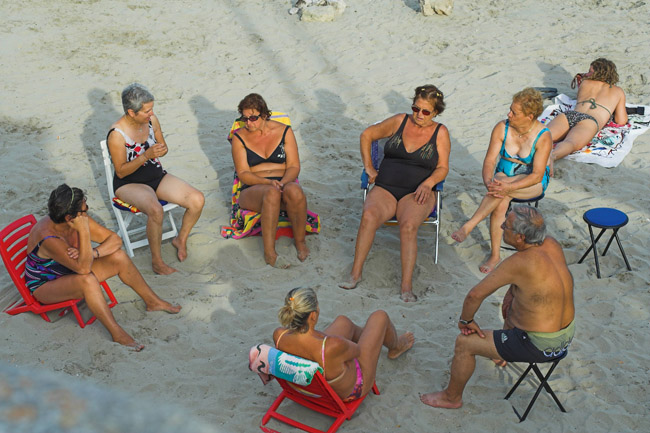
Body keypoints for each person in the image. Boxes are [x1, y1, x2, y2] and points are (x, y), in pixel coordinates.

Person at [420, 205, 574, 409]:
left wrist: (466, 321)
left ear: (520, 237)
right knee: (511, 300)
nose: (501, 226)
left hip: (538, 345)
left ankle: (451, 397)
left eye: (506, 226)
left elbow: (475, 295)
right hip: (564, 338)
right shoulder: (551, 244)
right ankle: (501, 354)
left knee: (464, 343)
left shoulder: (520, 261)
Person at [25, 184, 182, 351]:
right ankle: (117, 334)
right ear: (70, 219)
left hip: (71, 270)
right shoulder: (49, 237)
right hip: (45, 285)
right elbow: (84, 270)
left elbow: (115, 240)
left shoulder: (77, 218)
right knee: (88, 281)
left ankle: (153, 302)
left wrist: (93, 252)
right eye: (84, 211)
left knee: (119, 257)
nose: (87, 213)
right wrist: (84, 232)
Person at [339, 85, 451, 302]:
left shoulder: (440, 133)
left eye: (426, 112)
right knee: (369, 215)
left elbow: (443, 168)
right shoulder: (400, 121)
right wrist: (370, 168)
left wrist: (428, 184)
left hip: (417, 191)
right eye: (415, 109)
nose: (419, 115)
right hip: (386, 187)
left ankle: (406, 286)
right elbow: (367, 135)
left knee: (408, 226)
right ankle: (355, 274)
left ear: (436, 112)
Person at [107, 83, 205, 275]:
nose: (151, 114)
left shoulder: (152, 121)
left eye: (151, 109)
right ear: (131, 112)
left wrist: (161, 149)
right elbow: (120, 172)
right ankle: (157, 262)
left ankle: (180, 239)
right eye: (146, 111)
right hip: (129, 183)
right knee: (156, 210)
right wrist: (145, 156)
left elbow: (162, 146)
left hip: (156, 175)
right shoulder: (117, 135)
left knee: (197, 200)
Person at [451, 88, 551, 274]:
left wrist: (508, 186)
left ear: (529, 116)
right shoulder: (502, 128)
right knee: (500, 193)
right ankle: (495, 255)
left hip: (531, 181)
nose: (509, 114)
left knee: (503, 191)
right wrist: (488, 181)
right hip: (503, 175)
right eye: (510, 109)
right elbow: (489, 160)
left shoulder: (543, 136)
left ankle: (470, 226)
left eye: (514, 112)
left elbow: (536, 175)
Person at [273, 287, 414, 402]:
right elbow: (357, 351)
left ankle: (375, 336)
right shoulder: (332, 345)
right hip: (349, 391)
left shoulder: (279, 335)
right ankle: (395, 347)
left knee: (343, 322)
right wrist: (334, 343)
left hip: (308, 388)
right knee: (380, 317)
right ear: (313, 316)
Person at [230, 93, 310, 268]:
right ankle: (269, 252)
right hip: (254, 188)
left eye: (253, 118)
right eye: (245, 119)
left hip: (284, 181)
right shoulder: (239, 137)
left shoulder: (284, 131)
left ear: (264, 115)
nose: (249, 123)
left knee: (295, 191)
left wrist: (283, 182)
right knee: (272, 193)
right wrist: (268, 183)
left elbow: (294, 166)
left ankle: (300, 242)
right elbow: (243, 173)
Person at [548, 58, 628, 174]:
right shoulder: (618, 91)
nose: (588, 73)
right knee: (570, 143)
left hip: (570, 115)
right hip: (590, 121)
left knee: (544, 136)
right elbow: (621, 121)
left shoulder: (585, 83)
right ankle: (552, 156)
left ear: (597, 73)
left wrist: (585, 76)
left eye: (590, 71)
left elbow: (583, 78)